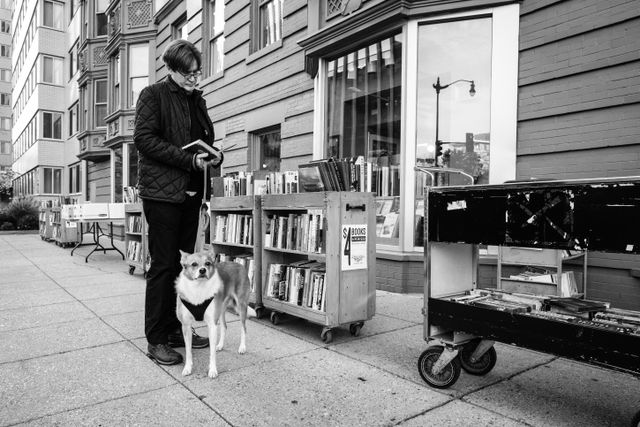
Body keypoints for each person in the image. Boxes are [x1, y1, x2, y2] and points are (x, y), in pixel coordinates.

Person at [134, 39, 221, 365]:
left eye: (197, 74)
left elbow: (202, 140)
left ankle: (175, 329)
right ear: (170, 68)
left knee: (184, 267)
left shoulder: (196, 100)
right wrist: (188, 161)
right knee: (163, 265)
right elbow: (144, 140)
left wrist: (214, 155)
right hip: (162, 195)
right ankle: (156, 338)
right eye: (187, 74)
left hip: (190, 193)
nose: (194, 80)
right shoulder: (153, 95)